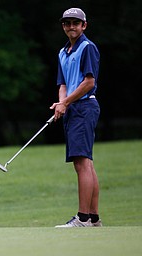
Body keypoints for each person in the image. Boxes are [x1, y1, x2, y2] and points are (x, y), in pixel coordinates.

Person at [50, 7, 102, 227]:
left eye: (75, 23)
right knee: (85, 163)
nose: (71, 26)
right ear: (63, 26)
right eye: (67, 23)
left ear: (84, 26)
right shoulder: (63, 52)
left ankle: (82, 218)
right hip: (73, 108)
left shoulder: (87, 48)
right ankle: (93, 218)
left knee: (82, 163)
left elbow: (89, 82)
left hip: (84, 107)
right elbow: (62, 83)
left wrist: (66, 103)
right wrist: (61, 104)